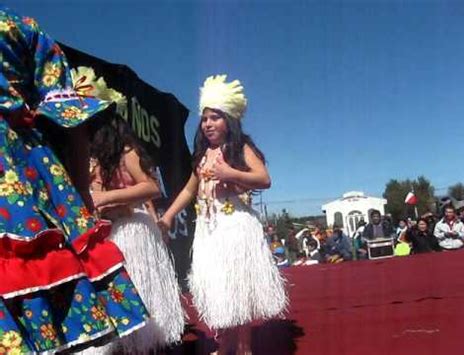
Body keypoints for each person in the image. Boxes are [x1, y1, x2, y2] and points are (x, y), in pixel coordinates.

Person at [0, 7, 148, 353]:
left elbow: (73, 124)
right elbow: (73, 125)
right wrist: (79, 199)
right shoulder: (22, 27)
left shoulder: (20, 29)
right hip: (24, 172)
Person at [159, 75, 287, 354]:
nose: (207, 124)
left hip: (234, 227)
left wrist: (230, 173)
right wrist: (168, 216)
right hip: (209, 231)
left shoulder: (240, 148)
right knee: (220, 289)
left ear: (229, 120)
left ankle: (243, 348)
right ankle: (226, 343)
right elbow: (188, 191)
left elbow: (264, 179)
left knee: (237, 288)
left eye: (215, 117)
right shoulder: (203, 156)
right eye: (204, 118)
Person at [87, 115, 186, 353]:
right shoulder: (96, 161)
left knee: (140, 292)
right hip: (110, 234)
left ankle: (145, 344)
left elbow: (151, 187)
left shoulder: (128, 152)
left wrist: (107, 198)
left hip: (134, 232)